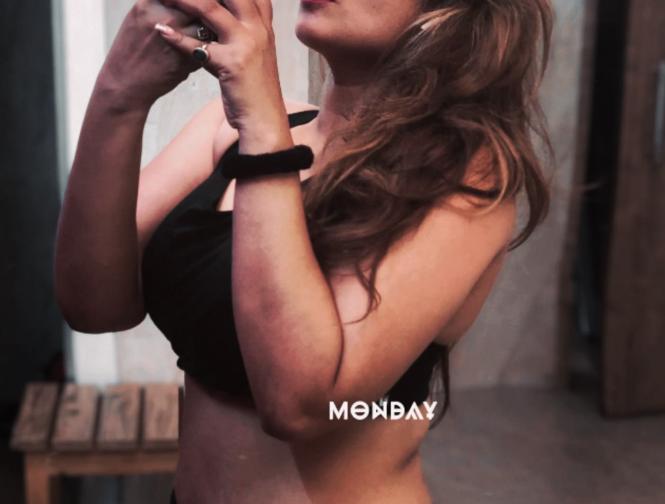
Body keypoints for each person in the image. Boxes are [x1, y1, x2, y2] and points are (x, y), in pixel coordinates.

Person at [53, 0, 554, 502]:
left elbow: (301, 408)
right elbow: (93, 305)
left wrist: (261, 122)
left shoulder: (467, 174)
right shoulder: (225, 132)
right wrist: (120, 93)